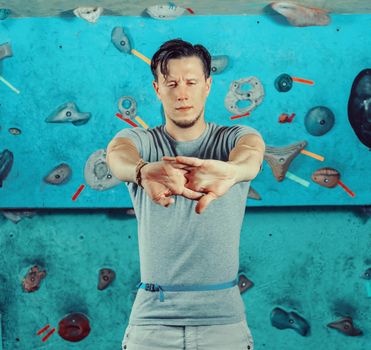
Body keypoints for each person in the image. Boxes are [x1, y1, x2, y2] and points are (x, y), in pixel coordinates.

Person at [106, 38, 265, 350]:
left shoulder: (235, 137)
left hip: (224, 324)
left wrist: (231, 172)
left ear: (207, 85)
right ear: (157, 89)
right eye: (172, 83)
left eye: (191, 82)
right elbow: (117, 154)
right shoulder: (141, 141)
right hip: (152, 326)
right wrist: (143, 171)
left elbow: (251, 155)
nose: (182, 94)